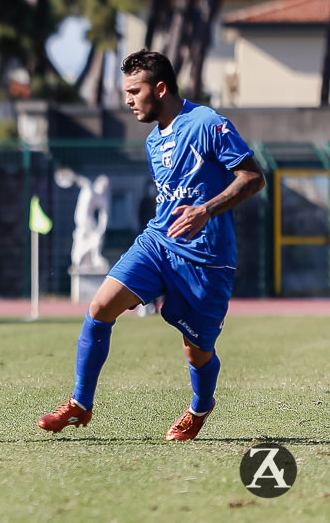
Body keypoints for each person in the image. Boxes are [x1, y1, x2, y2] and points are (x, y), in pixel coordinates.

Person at [37, 49, 265, 441]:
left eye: (133, 90)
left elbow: (253, 176)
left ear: (159, 88)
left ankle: (200, 405)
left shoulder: (207, 122)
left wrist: (205, 211)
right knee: (99, 307)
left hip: (207, 259)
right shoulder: (152, 141)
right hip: (158, 243)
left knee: (197, 352)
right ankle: (80, 403)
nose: (127, 100)